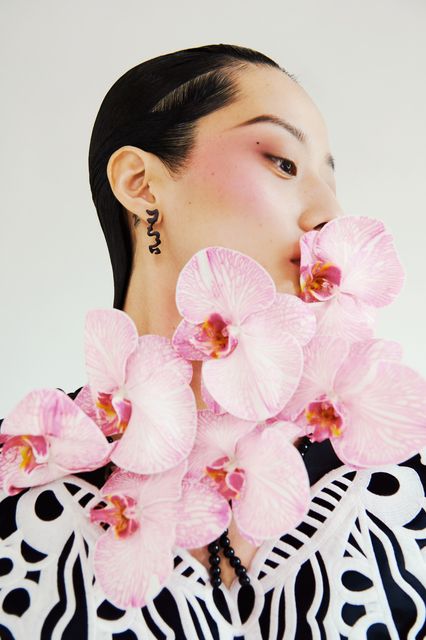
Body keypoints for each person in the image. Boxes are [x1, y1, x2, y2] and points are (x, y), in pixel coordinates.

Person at [0, 43, 425, 640]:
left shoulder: (396, 484)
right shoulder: (30, 489)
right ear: (141, 183)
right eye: (282, 161)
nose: (329, 214)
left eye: (331, 179)